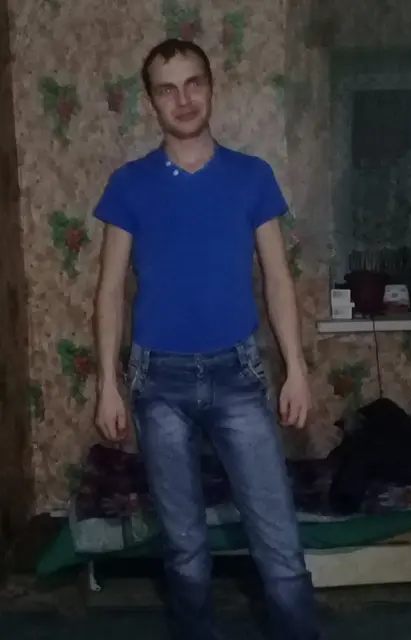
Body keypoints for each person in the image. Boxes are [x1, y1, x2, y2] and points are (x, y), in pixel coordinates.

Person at [94, 38, 318, 640]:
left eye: (193, 83)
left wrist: (296, 368)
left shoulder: (252, 176)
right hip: (157, 383)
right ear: (152, 102)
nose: (183, 99)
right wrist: (107, 384)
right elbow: (110, 291)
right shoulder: (129, 184)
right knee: (185, 548)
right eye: (167, 89)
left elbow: (277, 278)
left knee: (279, 543)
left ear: (211, 87)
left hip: (239, 375)